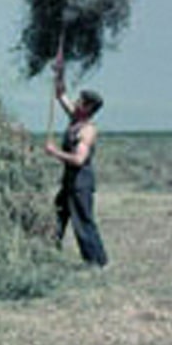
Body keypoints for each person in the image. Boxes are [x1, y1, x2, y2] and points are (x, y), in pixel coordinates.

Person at [43, 78, 109, 267]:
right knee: (56, 216)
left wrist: (54, 152)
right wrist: (59, 73)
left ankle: (97, 262)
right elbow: (60, 95)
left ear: (88, 108)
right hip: (68, 182)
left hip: (81, 184)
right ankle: (48, 252)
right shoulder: (75, 119)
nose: (76, 102)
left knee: (83, 223)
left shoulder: (87, 131)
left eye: (80, 101)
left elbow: (79, 160)